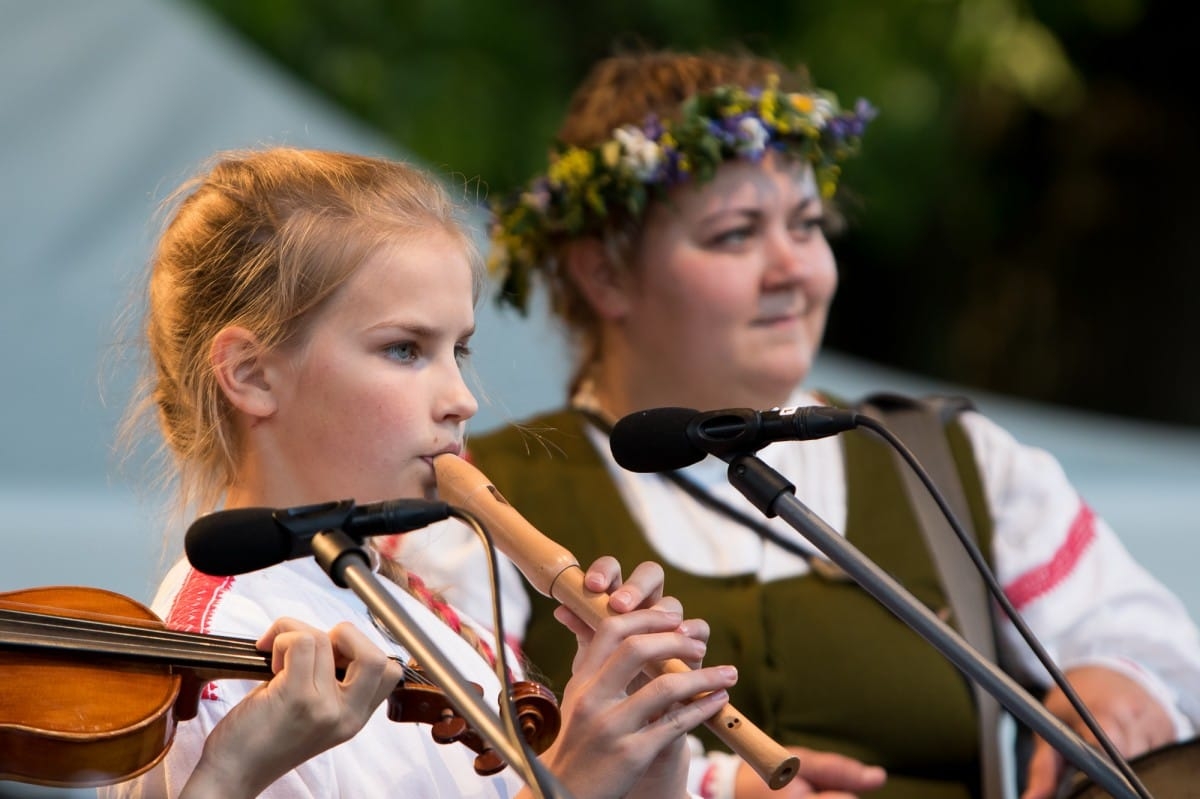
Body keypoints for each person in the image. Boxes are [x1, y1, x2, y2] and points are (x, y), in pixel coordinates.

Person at [393, 50, 1200, 799]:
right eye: (736, 233)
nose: (795, 269)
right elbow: (430, 769)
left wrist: (1118, 683)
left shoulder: (948, 460)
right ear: (605, 272)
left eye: (808, 225)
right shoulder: (474, 502)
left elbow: (1141, 637)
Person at [100, 146, 738, 798]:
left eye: (457, 349)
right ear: (252, 374)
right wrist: (568, 782)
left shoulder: (432, 616)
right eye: (405, 349)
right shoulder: (214, 656)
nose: (461, 397)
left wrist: (644, 769)